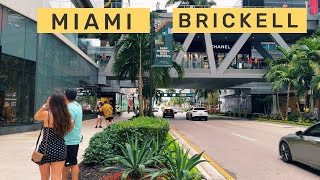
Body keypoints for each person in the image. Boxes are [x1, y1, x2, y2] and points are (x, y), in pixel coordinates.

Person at [34, 94, 73, 180]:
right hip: (60, 149)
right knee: (56, 177)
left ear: (51, 103)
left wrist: (45, 105)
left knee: (44, 177)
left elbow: (36, 116)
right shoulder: (67, 117)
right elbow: (70, 129)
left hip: (45, 149)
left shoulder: (46, 114)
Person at [62, 89, 83, 180]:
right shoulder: (77, 105)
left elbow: (70, 125)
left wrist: (61, 133)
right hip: (74, 139)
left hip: (69, 140)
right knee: (67, 163)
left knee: (72, 163)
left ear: (65, 96)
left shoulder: (69, 108)